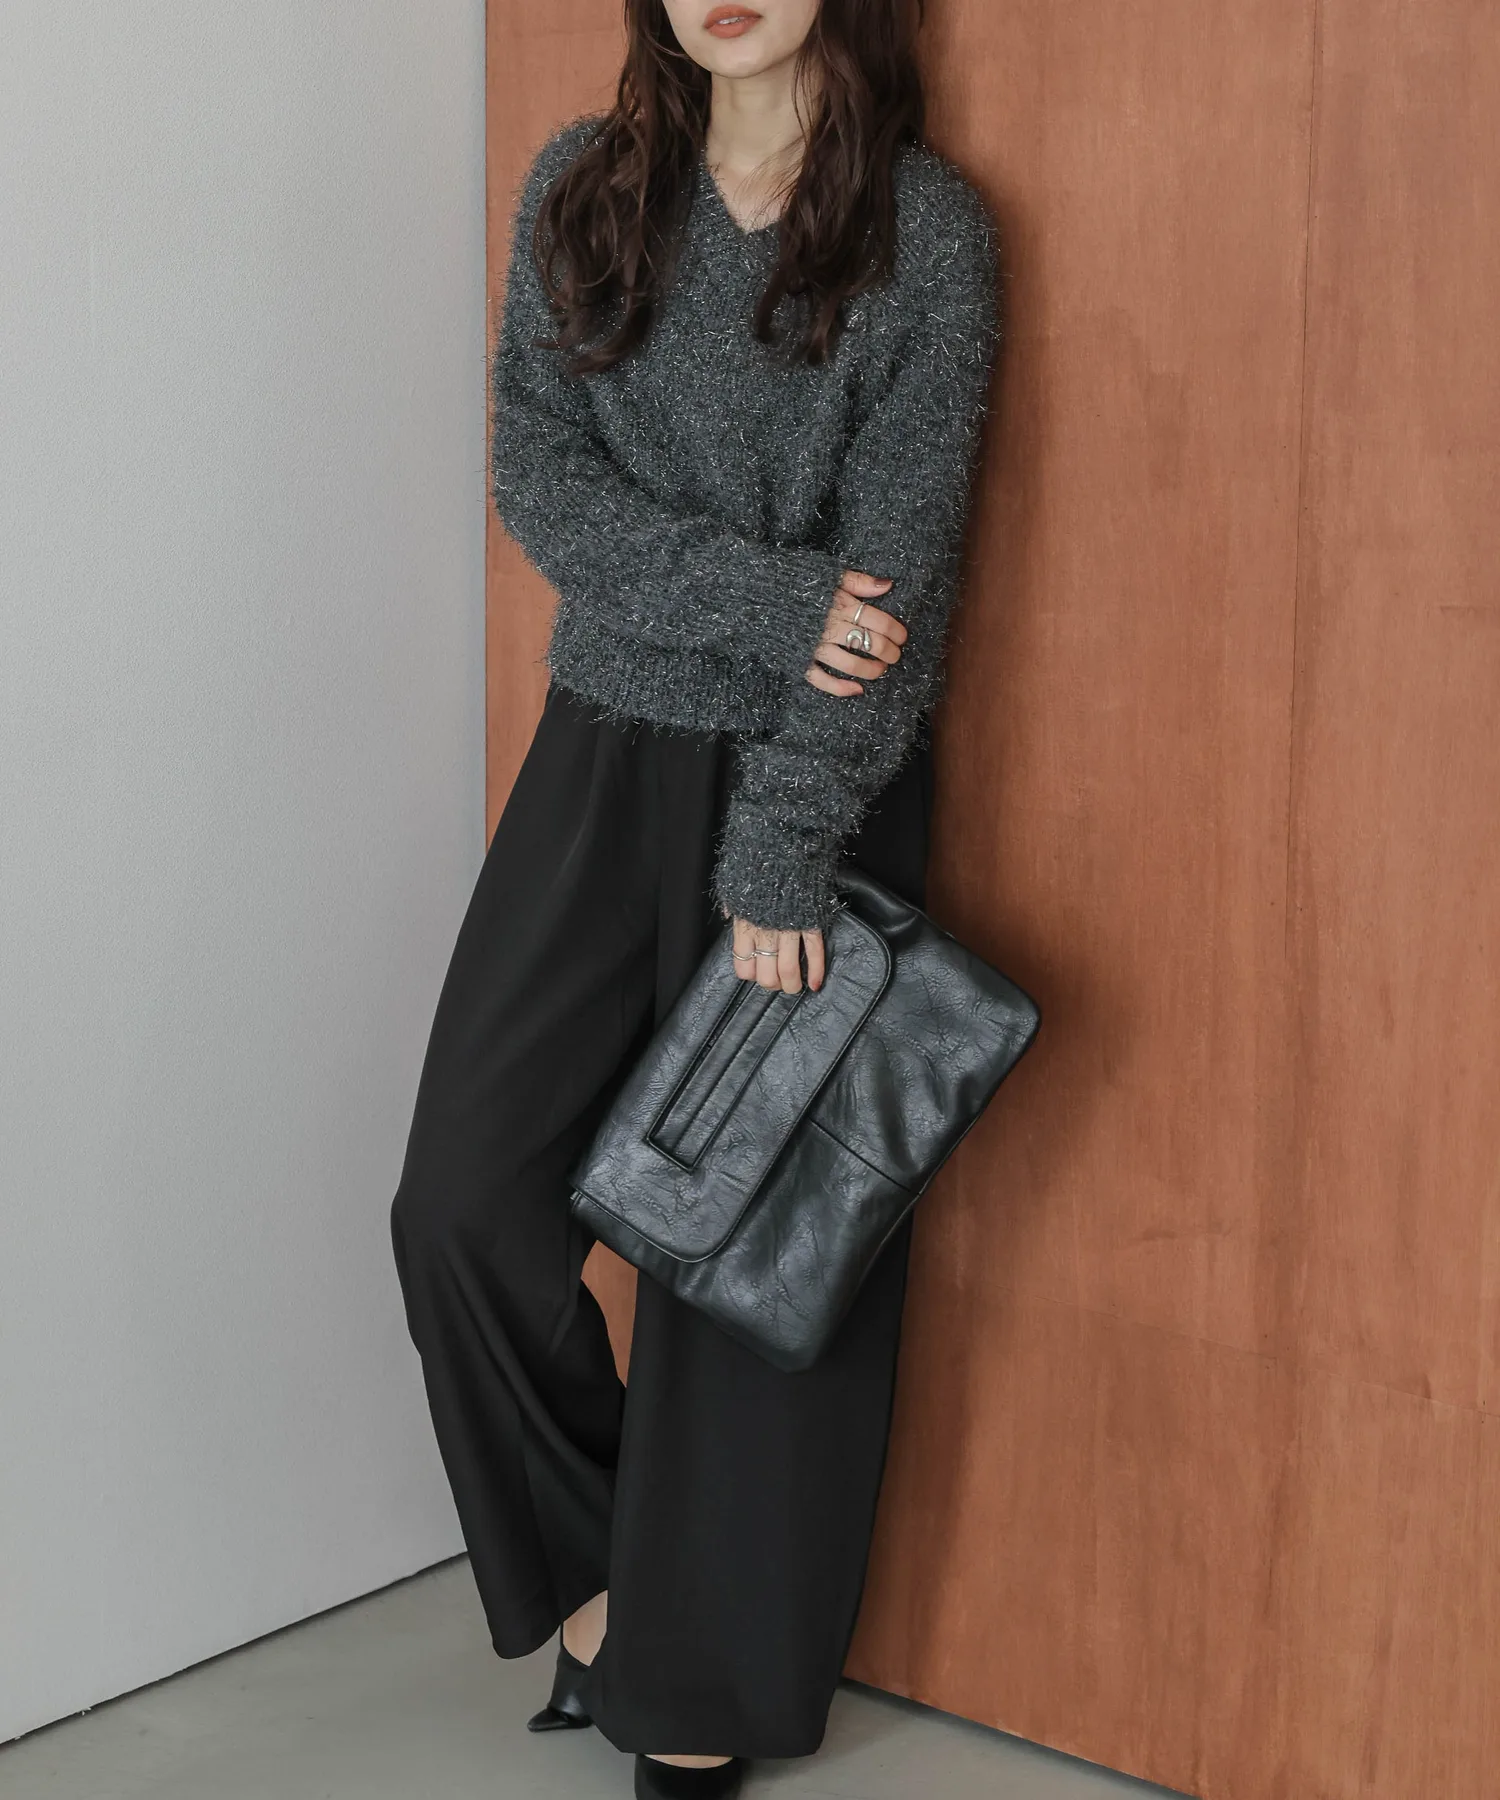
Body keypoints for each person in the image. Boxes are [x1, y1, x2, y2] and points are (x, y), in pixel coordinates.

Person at [389, 2, 998, 1794]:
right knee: (460, 1205)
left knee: (754, 1264)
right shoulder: (583, 191)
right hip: (600, 754)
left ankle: (701, 1689)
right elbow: (542, 483)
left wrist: (786, 846)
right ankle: (604, 1588)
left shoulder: (924, 231)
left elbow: (900, 595)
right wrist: (776, 600)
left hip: (817, 787)